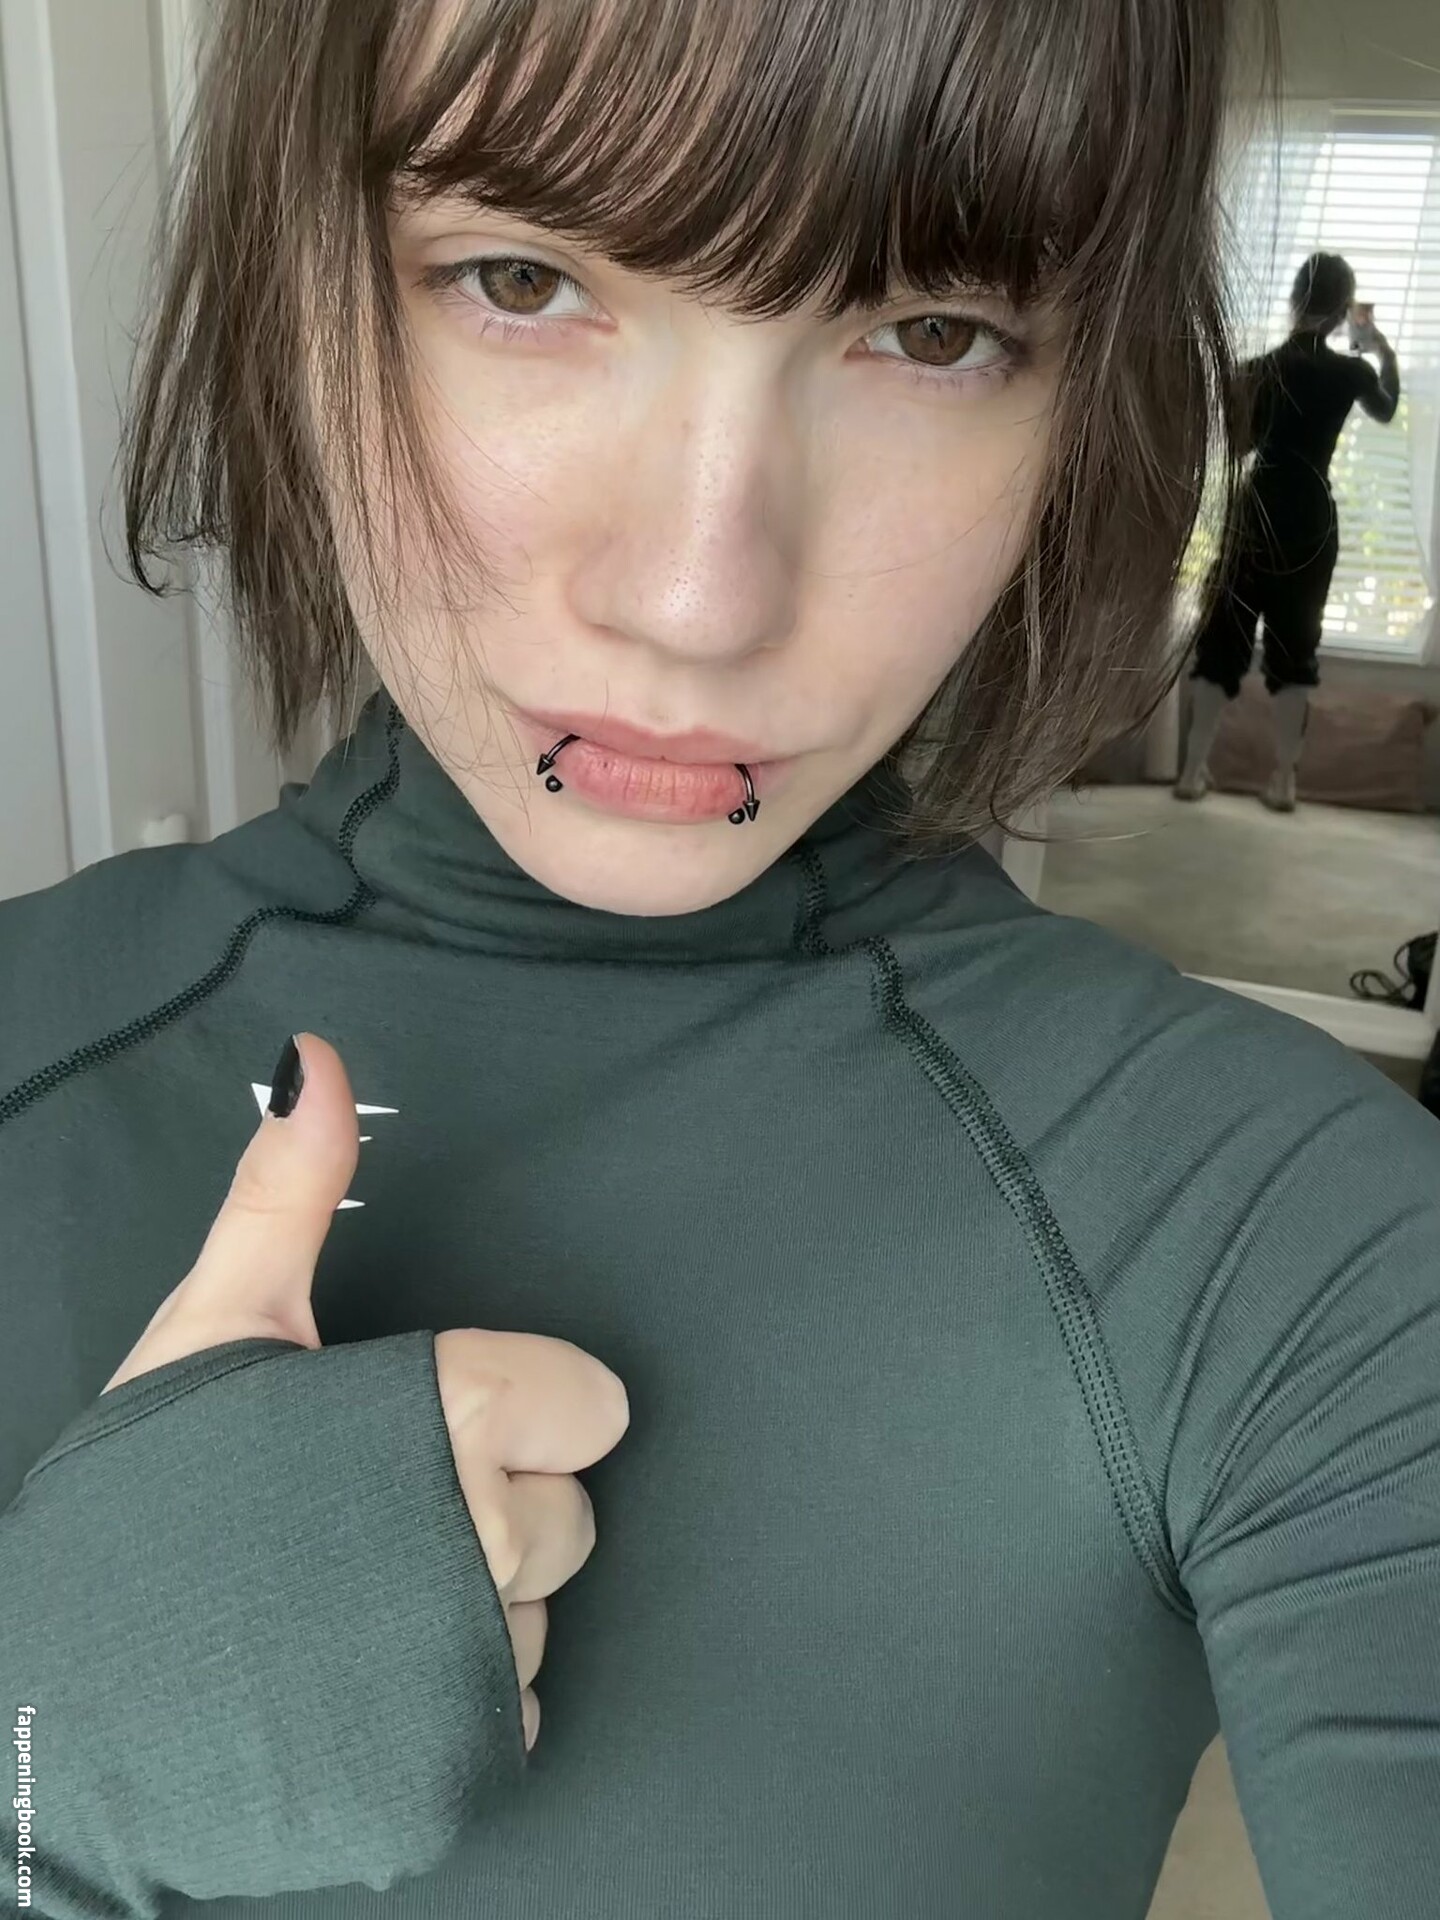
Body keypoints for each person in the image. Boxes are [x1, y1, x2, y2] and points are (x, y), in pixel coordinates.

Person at [1, 3, 1438, 1918]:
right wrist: (36, 1787)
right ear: (304, 286)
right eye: (524, 280)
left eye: (931, 334)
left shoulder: (1301, 1239)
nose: (697, 598)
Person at [1175, 250, 1403, 809]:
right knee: (1296, 649)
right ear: (1341, 311)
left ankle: (1192, 772)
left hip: (1258, 509)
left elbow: (1238, 446)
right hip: (1310, 517)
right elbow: (1386, 410)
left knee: (1223, 641)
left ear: (1295, 300)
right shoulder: (1352, 372)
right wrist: (1382, 350)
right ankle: (1283, 780)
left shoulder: (1257, 369)